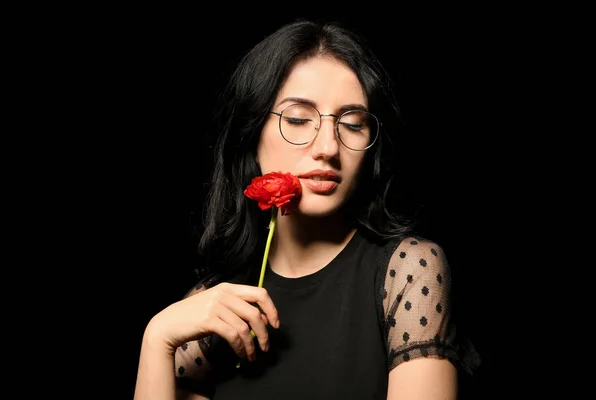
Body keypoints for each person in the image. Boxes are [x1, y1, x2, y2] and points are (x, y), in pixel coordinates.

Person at [134, 18, 480, 400]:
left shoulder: (408, 270)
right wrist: (157, 337)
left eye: (352, 124)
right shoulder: (213, 303)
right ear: (251, 134)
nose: (328, 147)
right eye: (298, 119)